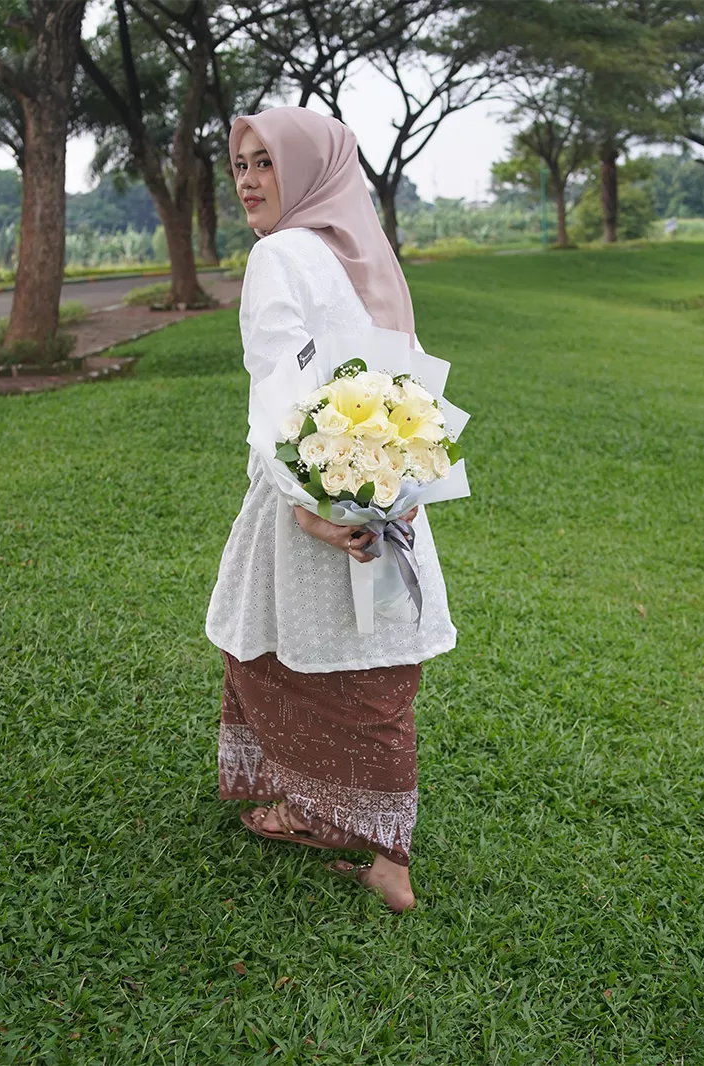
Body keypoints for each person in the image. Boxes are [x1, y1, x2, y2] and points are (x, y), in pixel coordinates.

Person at [205, 106, 456, 912]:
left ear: (311, 170)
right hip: (388, 501)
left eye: (265, 163)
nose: (248, 181)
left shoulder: (279, 254)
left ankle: (319, 812)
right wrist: (391, 490)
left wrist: (310, 508)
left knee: (268, 654)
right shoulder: (366, 251)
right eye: (240, 165)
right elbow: (408, 380)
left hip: (312, 500)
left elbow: (278, 392)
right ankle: (381, 853)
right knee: (375, 672)